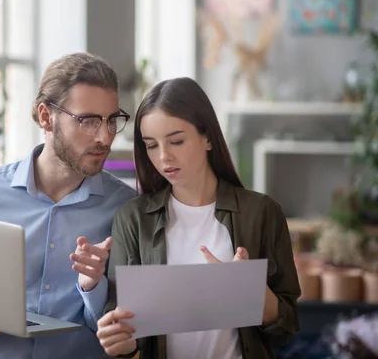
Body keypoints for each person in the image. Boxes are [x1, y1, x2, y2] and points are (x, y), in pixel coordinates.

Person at [0, 52, 137, 359]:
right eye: (88, 121)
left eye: (112, 120)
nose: (105, 137)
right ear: (46, 117)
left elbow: (116, 332)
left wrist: (92, 288)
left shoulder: (125, 207)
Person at [96, 77, 301, 359]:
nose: (164, 156)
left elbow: (287, 326)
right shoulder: (132, 218)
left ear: (207, 137)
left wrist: (251, 292)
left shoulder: (262, 212)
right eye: (151, 145)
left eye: (176, 141)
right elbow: (124, 325)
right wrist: (121, 341)